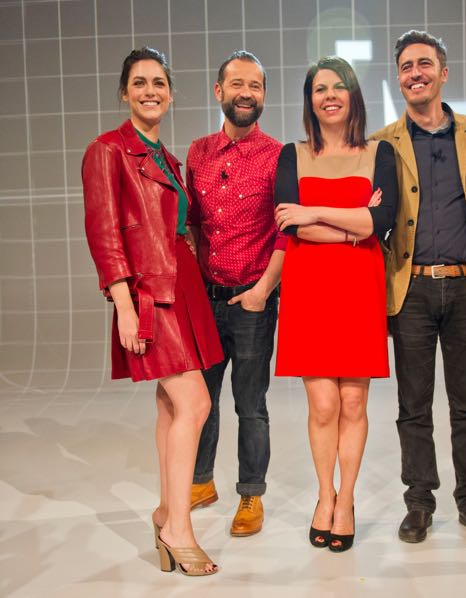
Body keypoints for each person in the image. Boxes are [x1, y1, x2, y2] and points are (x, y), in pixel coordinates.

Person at [82, 47, 223, 576]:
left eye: (159, 82)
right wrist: (123, 304)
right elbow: (104, 232)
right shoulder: (107, 150)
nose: (150, 91)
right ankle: (178, 528)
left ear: (170, 93)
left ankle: (167, 512)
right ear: (124, 92)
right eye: (139, 82)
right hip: (149, 293)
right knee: (196, 402)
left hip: (181, 286)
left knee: (169, 405)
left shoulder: (166, 157)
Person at [371, 30, 466, 543]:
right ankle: (419, 502)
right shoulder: (383, 142)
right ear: (398, 78)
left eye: (424, 64)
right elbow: (372, 218)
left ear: (443, 74)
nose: (415, 73)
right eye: (406, 66)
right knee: (413, 406)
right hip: (412, 290)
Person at [274, 56, 397, 552]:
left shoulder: (380, 152)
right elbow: (290, 225)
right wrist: (352, 224)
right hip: (309, 288)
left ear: (353, 96)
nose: (329, 96)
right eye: (319, 88)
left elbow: (381, 223)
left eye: (338, 87)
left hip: (359, 286)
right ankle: (324, 495)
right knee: (323, 405)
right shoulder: (292, 155)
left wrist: (315, 212)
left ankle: (346, 501)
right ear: (310, 100)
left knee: (353, 402)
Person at [186, 51, 285, 537]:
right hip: (205, 300)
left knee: (251, 404)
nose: (246, 93)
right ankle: (200, 482)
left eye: (256, 86)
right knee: (200, 400)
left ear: (263, 95)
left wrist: (263, 291)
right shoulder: (198, 152)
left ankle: (251, 493)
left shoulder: (279, 156)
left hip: (252, 303)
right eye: (237, 84)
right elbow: (191, 223)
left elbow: (286, 234)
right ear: (219, 91)